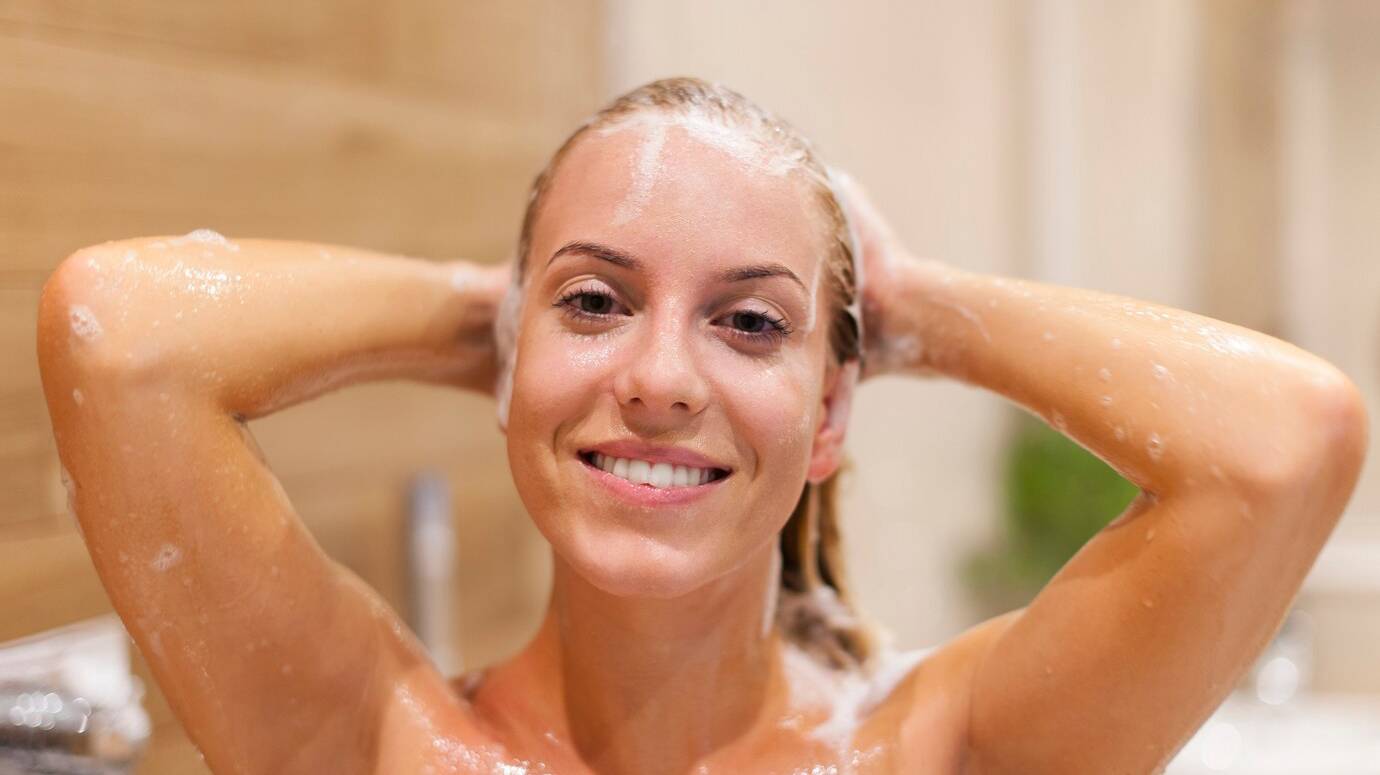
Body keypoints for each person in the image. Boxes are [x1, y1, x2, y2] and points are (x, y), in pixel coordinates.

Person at [36, 78, 1368, 774]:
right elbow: (120, 336)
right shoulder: (368, 742)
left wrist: (909, 306)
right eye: (601, 302)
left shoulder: (943, 752)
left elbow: (1287, 440)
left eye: (749, 324)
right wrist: (486, 319)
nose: (662, 376)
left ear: (832, 407)